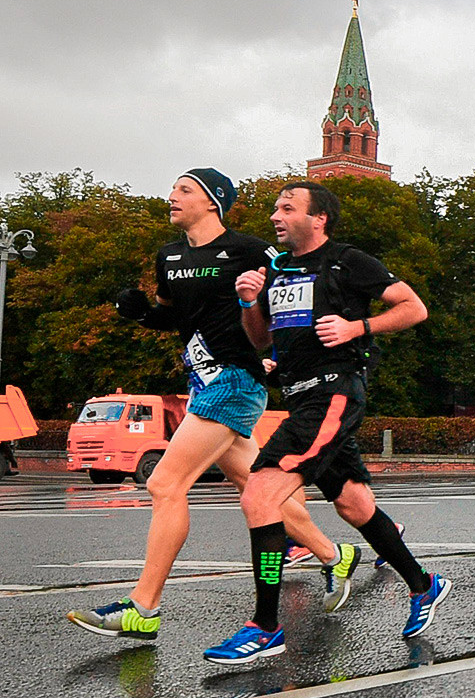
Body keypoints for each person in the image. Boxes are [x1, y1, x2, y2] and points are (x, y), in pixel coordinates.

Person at [69, 170, 355, 644]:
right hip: (202, 382)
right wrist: (139, 312)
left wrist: (289, 354)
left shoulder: (250, 249)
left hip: (236, 380)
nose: (172, 197)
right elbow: (175, 318)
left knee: (165, 482)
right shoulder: (169, 256)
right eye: (173, 189)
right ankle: (333, 555)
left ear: (213, 201)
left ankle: (143, 608)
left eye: (184, 190)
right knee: (256, 485)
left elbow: (293, 295)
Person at [206, 181, 443, 665]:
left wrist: (358, 327)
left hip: (333, 392)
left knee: (259, 493)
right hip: (299, 399)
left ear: (319, 219)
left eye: (288, 207)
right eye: (276, 207)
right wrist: (250, 302)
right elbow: (260, 341)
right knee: (355, 506)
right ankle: (423, 584)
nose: (276, 214)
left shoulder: (347, 260)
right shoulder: (275, 269)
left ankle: (266, 625)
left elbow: (413, 308)